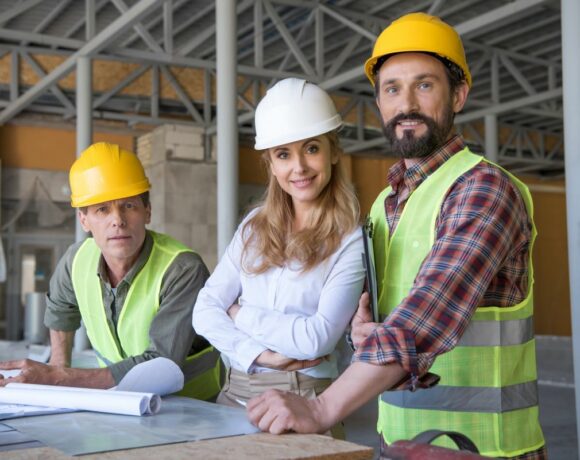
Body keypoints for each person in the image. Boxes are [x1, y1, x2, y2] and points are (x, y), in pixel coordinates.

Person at [247, 13, 546, 459]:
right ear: (380, 103)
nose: (406, 104)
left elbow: (424, 318)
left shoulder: (484, 190)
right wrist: (362, 332)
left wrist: (322, 406)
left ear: (459, 95)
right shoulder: (384, 206)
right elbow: (385, 324)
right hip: (398, 442)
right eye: (392, 89)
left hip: (483, 449)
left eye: (424, 85)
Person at [192, 78, 365, 436]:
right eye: (283, 154)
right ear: (271, 164)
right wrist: (260, 356)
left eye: (311, 148)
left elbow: (317, 339)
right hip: (233, 392)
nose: (298, 167)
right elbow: (204, 309)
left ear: (334, 151)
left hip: (303, 400)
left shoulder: (351, 238)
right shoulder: (254, 227)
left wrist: (240, 313)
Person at [0, 142, 221, 400]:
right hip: (120, 398)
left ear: (147, 211)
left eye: (129, 206)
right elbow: (61, 311)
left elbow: (161, 365)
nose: (117, 220)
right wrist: (57, 371)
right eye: (102, 209)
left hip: (193, 405)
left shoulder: (182, 270)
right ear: (84, 220)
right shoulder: (76, 259)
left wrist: (61, 377)